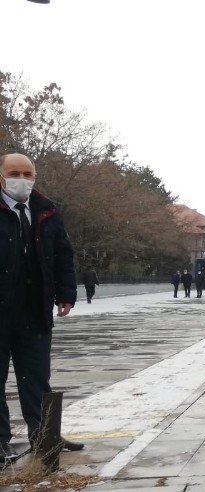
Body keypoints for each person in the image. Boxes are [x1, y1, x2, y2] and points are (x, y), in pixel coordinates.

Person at [0, 153, 85, 460]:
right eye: (14, 173)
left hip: (34, 311)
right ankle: (1, 441)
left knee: (36, 377)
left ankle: (45, 436)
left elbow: (63, 255)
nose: (21, 179)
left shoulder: (46, 210)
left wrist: (65, 295)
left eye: (27, 173)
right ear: (1, 176)